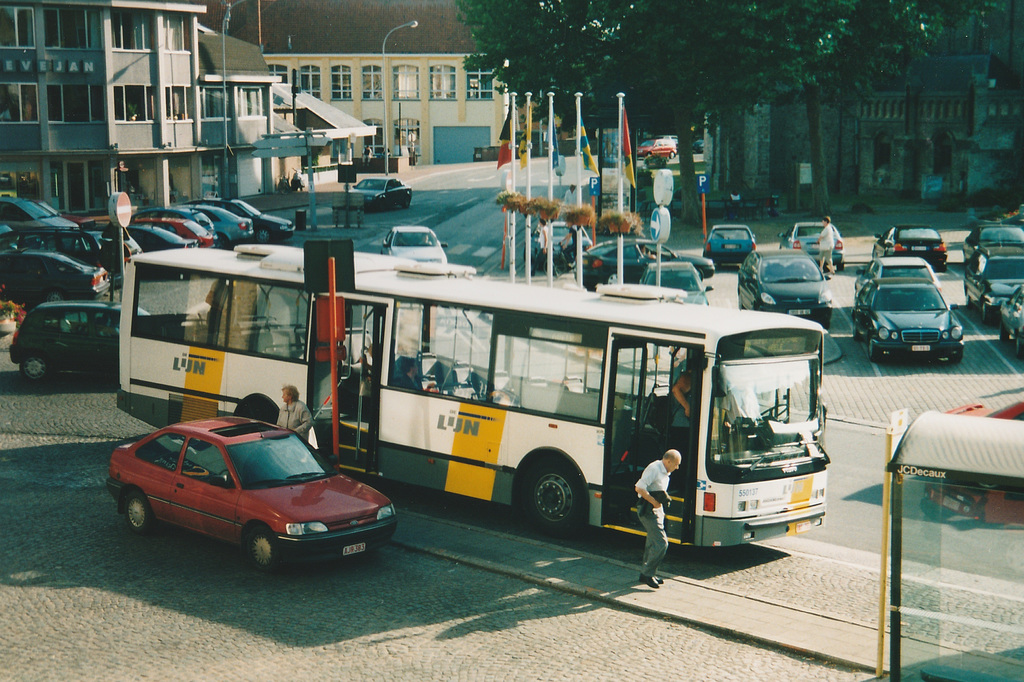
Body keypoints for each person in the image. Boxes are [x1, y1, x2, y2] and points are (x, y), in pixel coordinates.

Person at [635, 449, 682, 588]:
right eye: (676, 464)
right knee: (662, 543)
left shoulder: (665, 472)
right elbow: (639, 487)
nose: (677, 467)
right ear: (668, 461)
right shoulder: (654, 468)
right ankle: (647, 574)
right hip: (648, 510)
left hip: (656, 509)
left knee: (651, 543)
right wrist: (653, 502)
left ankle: (647, 574)